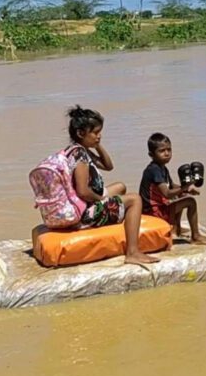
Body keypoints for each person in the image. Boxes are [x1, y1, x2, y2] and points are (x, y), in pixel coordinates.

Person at [65, 106, 159, 264]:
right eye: (95, 133)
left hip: (86, 203)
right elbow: (82, 191)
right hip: (85, 212)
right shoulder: (79, 156)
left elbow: (108, 166)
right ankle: (132, 252)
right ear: (81, 133)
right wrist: (100, 200)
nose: (99, 136)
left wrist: (96, 145)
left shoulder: (79, 150)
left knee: (120, 187)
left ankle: (123, 218)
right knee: (135, 199)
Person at [139, 133, 206, 245]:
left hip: (158, 208)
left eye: (169, 150)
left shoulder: (162, 168)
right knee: (190, 202)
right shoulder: (154, 170)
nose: (167, 153)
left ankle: (176, 228)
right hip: (153, 212)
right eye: (162, 151)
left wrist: (188, 188)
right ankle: (196, 236)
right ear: (151, 154)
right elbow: (167, 193)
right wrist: (183, 188)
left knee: (182, 195)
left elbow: (172, 186)